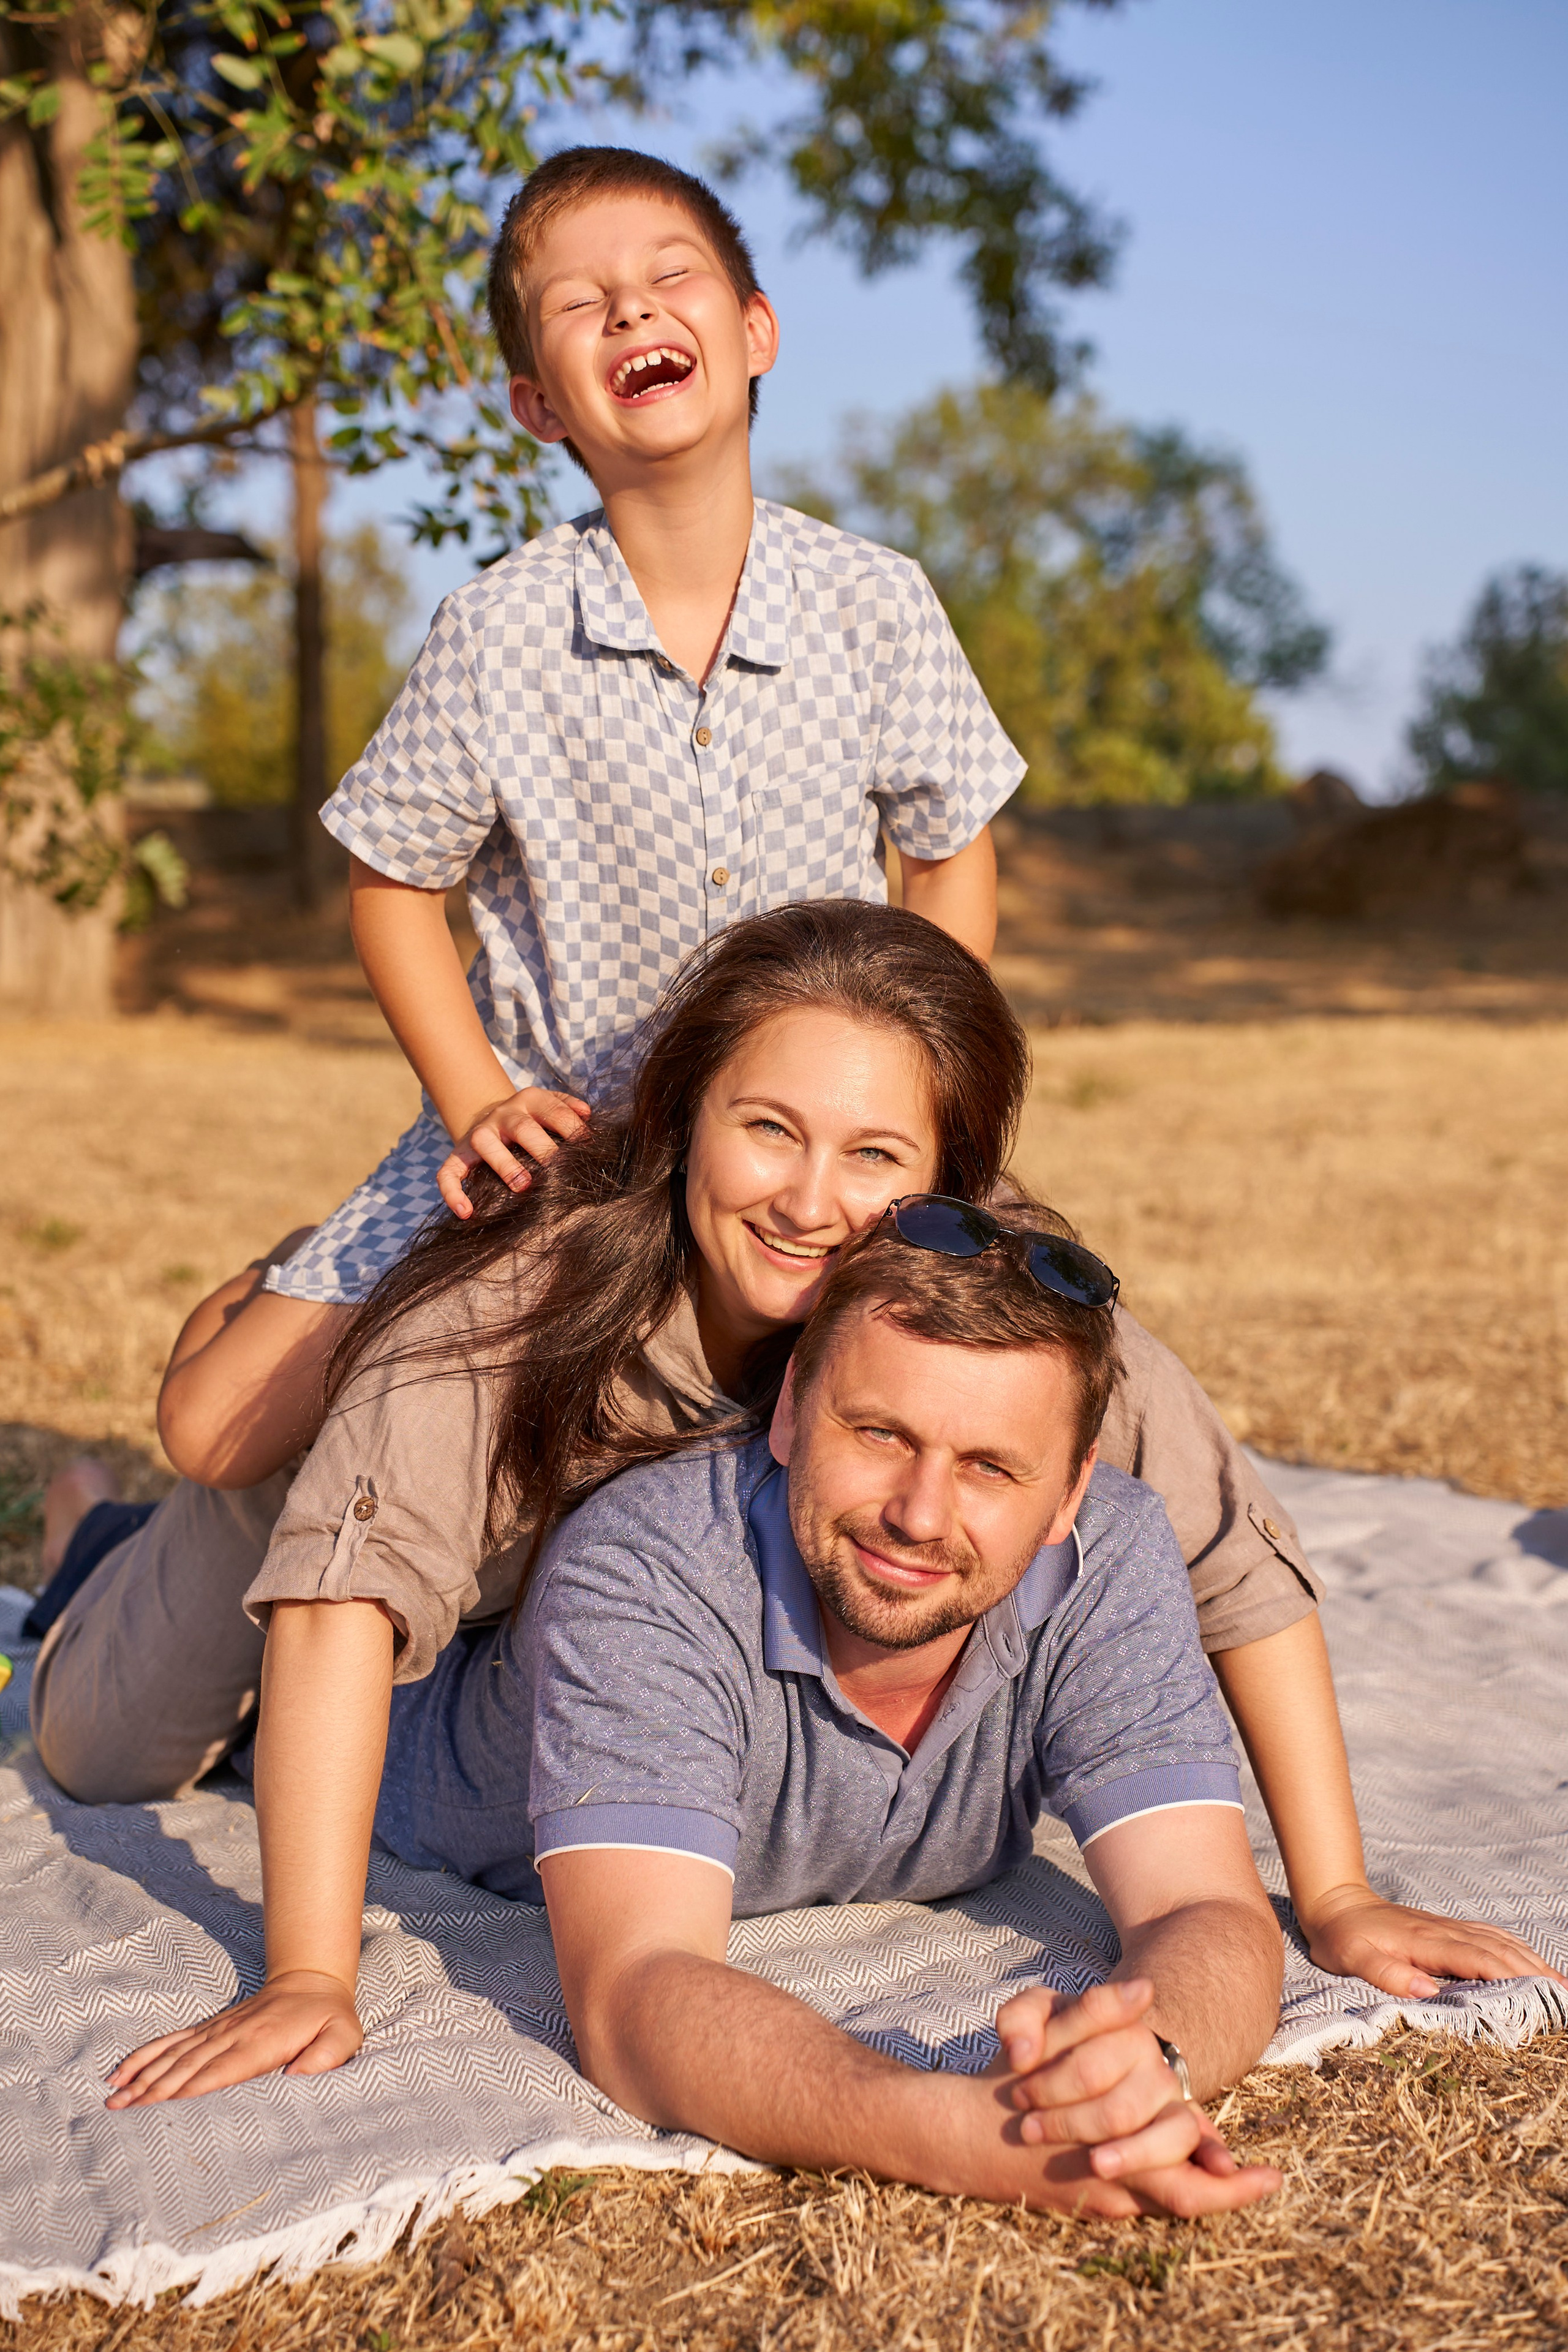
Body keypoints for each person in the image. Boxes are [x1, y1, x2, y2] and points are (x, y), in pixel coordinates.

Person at [32, 905, 1555, 2112]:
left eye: (877, 1156)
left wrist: (1337, 1893)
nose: (812, 1203)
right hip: (343, 1508)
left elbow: (1235, 1565)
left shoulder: (999, 1307)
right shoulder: (525, 1299)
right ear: (685, 1118)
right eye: (768, 1130)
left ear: (954, 1170)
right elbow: (342, 1597)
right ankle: (124, 1511)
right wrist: (311, 1969)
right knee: (104, 1749)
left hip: (542, 1640)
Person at [104, 1207, 1292, 2218]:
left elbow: (1202, 1903)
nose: (920, 1515)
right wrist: (944, 2128)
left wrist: (1147, 2064)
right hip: (392, 1712)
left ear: (1068, 1491)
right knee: (114, 1713)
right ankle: (98, 1524)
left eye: (989, 1467)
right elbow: (632, 1994)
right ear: (785, 1420)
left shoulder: (1113, 1548)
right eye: (877, 1434)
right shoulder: (648, 1562)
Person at [156, 143, 1020, 1494]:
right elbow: (390, 886)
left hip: (796, 1146)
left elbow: (947, 845)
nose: (628, 308)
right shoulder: (497, 631)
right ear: (536, 405)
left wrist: (915, 1086)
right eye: (579, 302)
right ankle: (271, 1279)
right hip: (558, 1136)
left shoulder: (874, 602)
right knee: (209, 1436)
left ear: (754, 332)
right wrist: (473, 1103)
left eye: (669, 277)